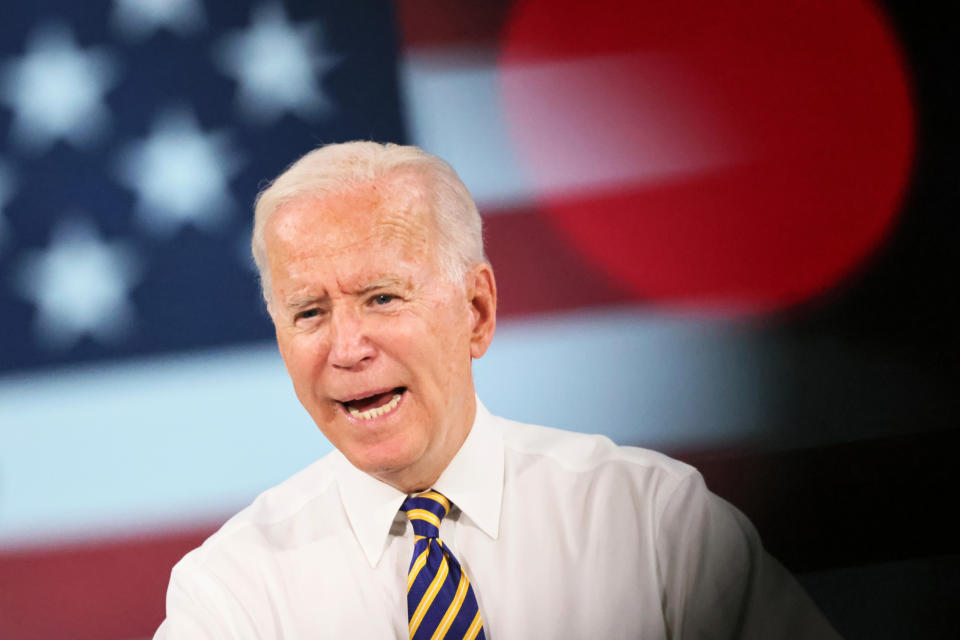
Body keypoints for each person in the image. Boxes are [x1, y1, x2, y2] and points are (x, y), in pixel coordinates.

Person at [154, 141, 841, 639]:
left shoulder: (653, 523)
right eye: (309, 312)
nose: (346, 348)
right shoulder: (229, 596)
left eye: (383, 297)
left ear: (476, 312)